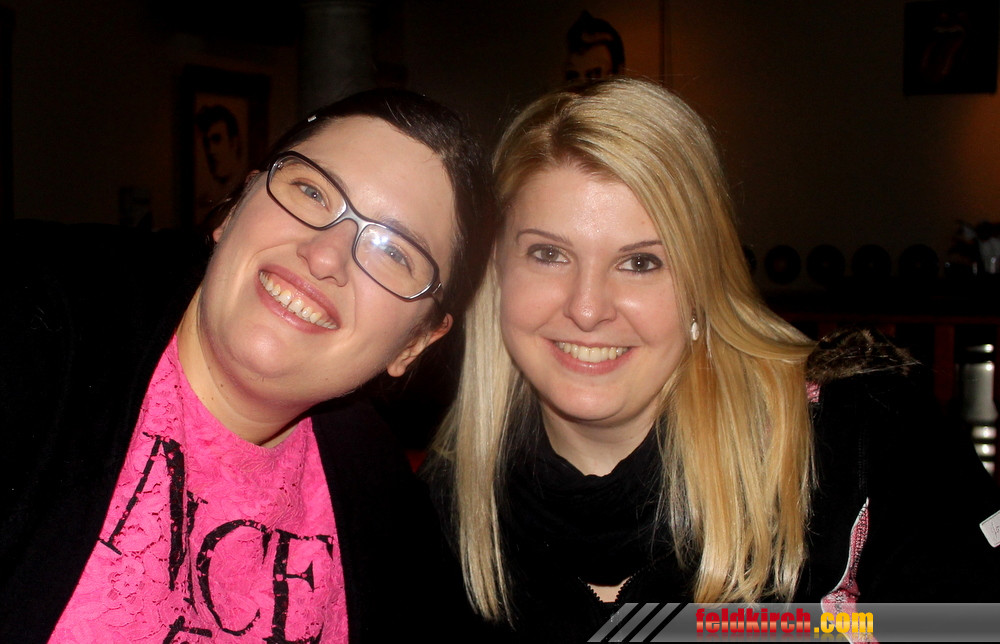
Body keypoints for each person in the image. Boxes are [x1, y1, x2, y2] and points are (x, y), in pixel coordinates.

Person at [424, 77, 1000, 641]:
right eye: (549, 254)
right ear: (495, 273)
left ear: (703, 282)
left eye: (641, 262)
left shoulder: (864, 435)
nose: (588, 308)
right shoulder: (440, 506)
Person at [0, 88, 496, 642]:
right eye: (312, 191)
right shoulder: (36, 320)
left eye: (394, 251)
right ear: (236, 206)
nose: (325, 255)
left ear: (416, 342)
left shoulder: (390, 513)